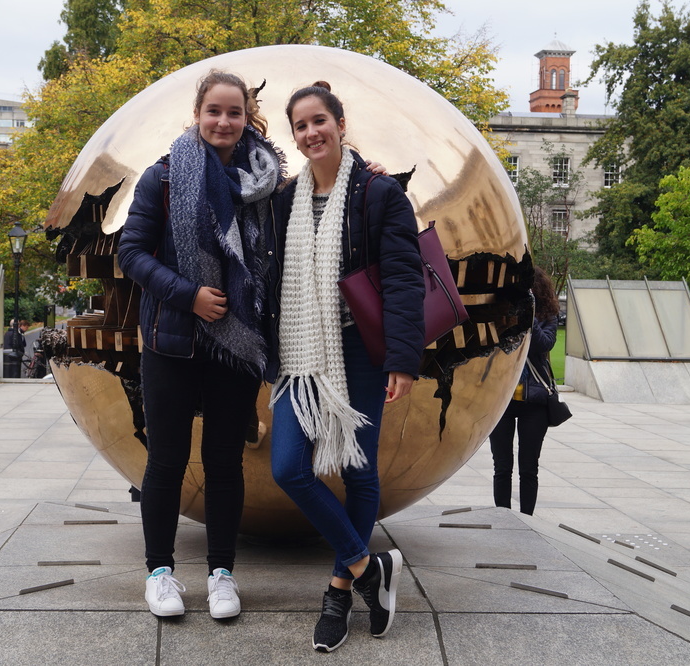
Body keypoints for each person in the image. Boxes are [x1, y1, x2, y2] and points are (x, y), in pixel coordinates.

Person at [116, 70, 285, 620]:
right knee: (166, 461)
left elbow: (313, 209)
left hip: (234, 345)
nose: (223, 121)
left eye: (234, 112)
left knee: (224, 463)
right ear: (197, 113)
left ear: (246, 118)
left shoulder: (266, 182)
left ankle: (221, 574)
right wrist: (188, 296)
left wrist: (369, 169)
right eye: (214, 110)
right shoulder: (163, 178)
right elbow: (132, 255)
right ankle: (160, 573)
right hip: (173, 340)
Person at [265, 81, 424, 652]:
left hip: (359, 352)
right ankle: (368, 567)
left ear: (339, 122)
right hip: (299, 357)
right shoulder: (283, 199)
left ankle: (338, 589)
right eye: (300, 126)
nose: (311, 133)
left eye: (319, 121)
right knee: (289, 469)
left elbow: (405, 279)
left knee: (359, 473)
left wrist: (403, 359)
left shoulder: (378, 193)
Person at [489, 266, 559, 516]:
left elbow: (543, 344)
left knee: (529, 467)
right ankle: (503, 517)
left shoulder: (548, 315)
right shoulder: (503, 311)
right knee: (502, 466)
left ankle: (527, 520)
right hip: (503, 399)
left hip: (535, 401)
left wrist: (528, 314)